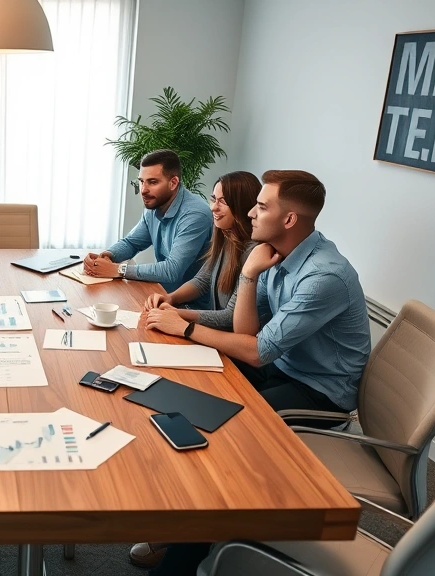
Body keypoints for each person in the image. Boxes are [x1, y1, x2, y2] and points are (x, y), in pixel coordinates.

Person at [137, 171, 371, 575]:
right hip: (283, 368)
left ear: (290, 219)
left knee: (220, 436)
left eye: (262, 206)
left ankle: (181, 559)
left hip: (317, 395)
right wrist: (248, 275)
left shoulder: (323, 275)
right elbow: (243, 330)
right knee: (183, 392)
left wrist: (188, 326)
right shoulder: (273, 252)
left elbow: (258, 351)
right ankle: (181, 523)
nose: (250, 212)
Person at [84, 149, 213, 298]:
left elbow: (172, 270)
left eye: (152, 182)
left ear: (173, 183)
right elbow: (131, 243)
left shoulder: (195, 214)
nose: (143, 190)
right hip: (160, 294)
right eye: (141, 181)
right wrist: (107, 256)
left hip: (190, 306)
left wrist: (119, 269)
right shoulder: (155, 205)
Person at [143, 171, 261, 332]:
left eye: (223, 201)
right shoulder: (225, 236)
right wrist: (171, 298)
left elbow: (230, 317)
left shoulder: (254, 252)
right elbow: (203, 280)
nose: (213, 207)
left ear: (242, 205)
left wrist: (178, 314)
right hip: (214, 332)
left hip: (227, 341)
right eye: (213, 199)